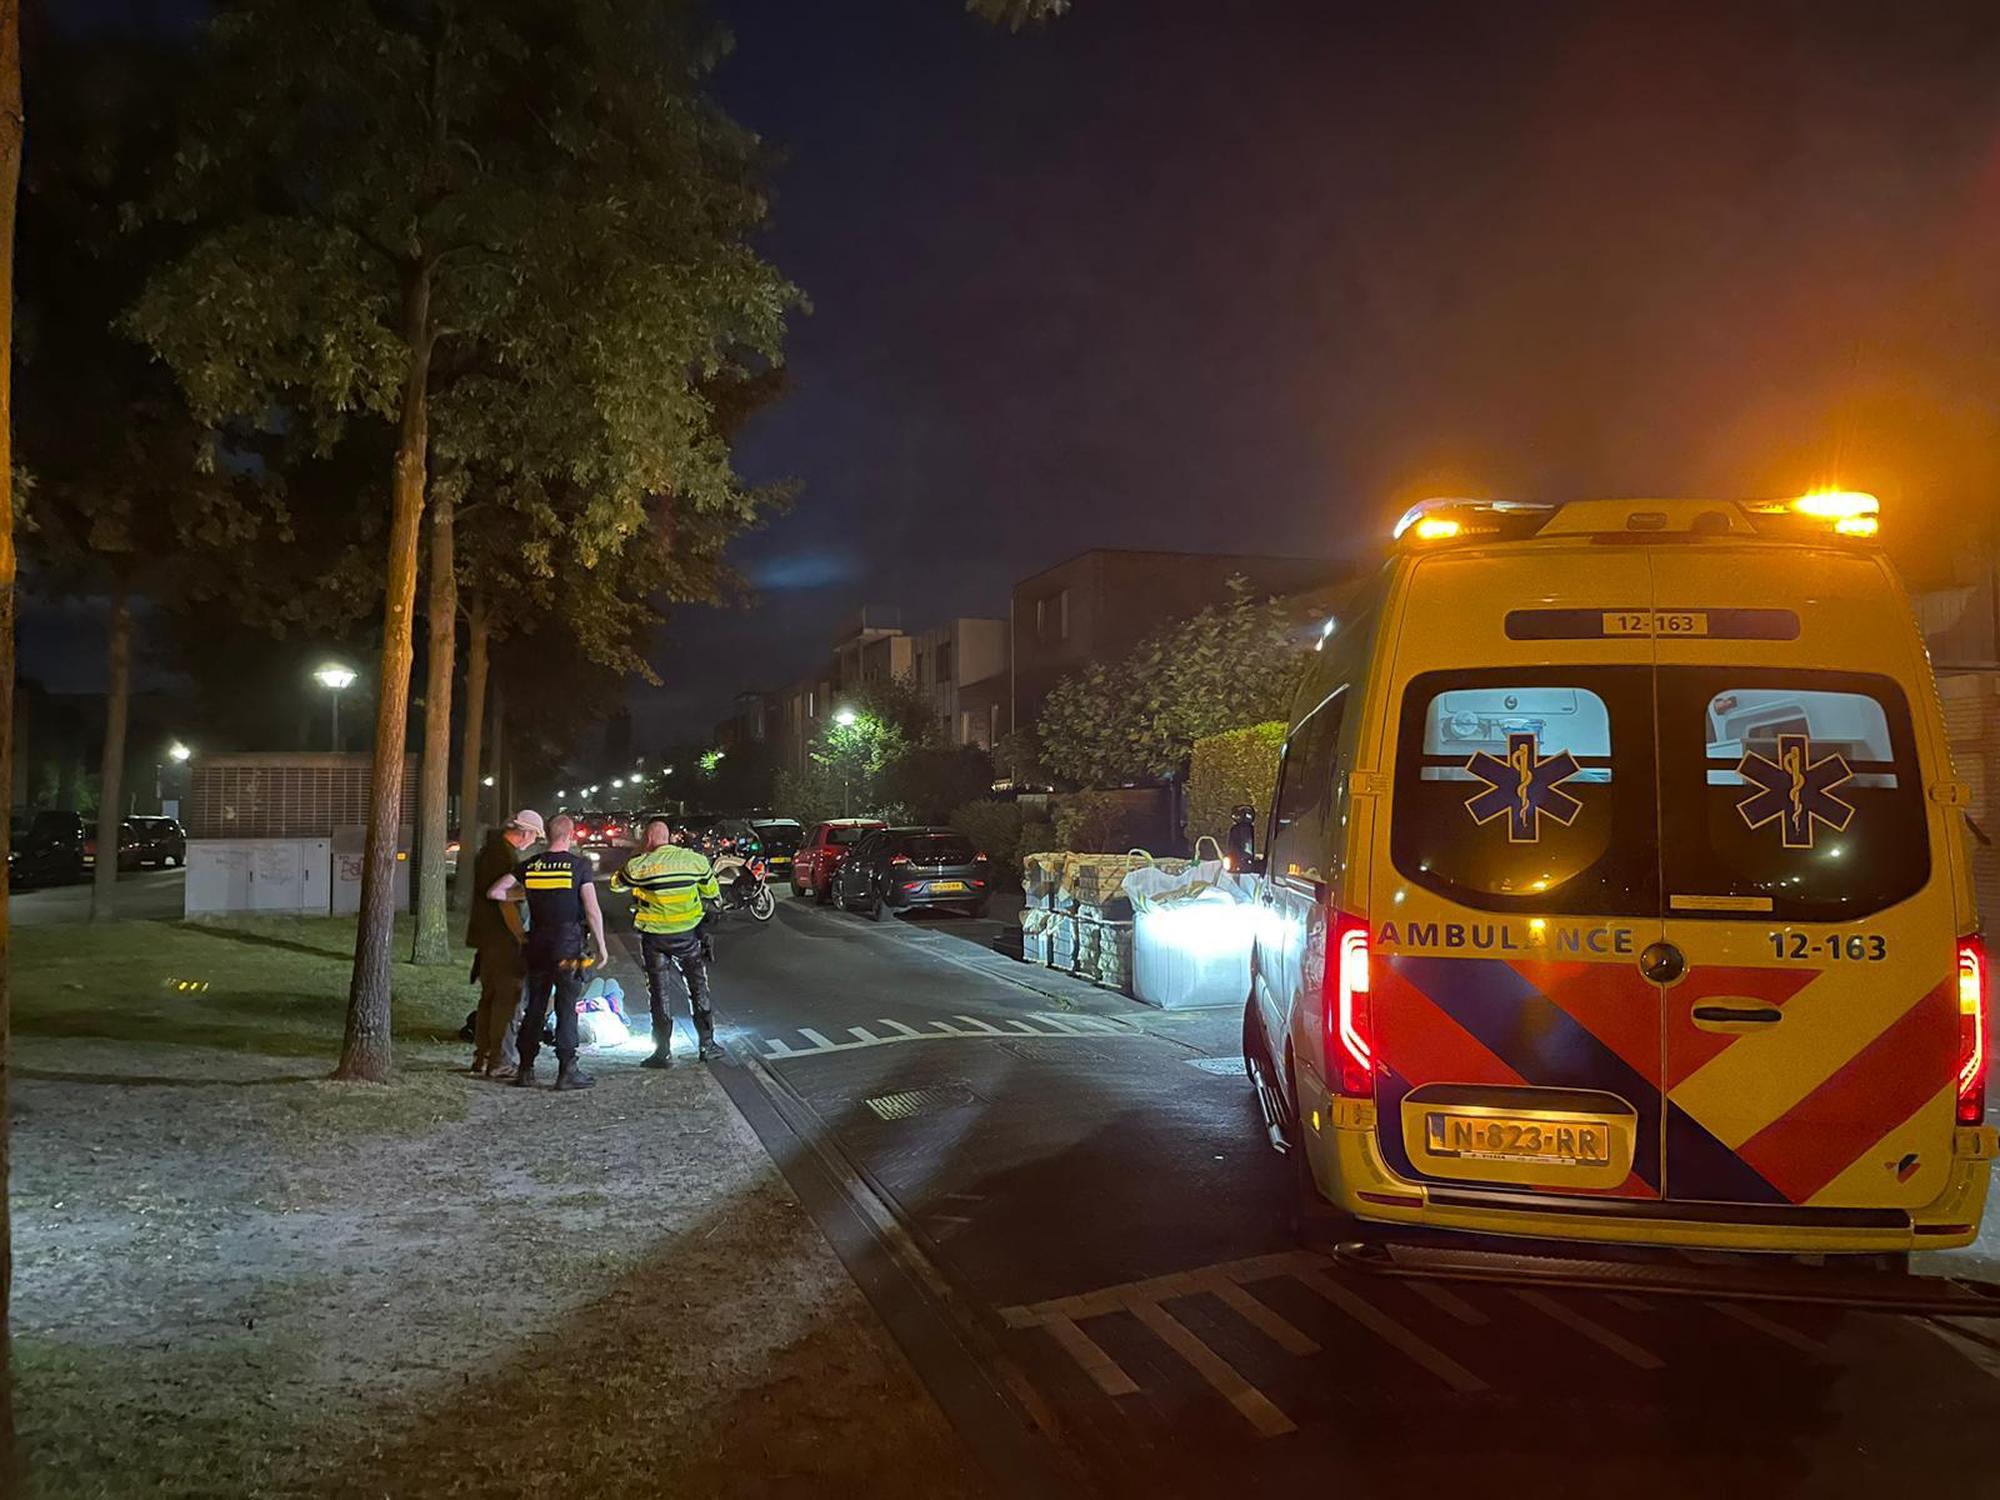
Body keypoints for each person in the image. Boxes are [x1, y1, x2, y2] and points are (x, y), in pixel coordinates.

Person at [488, 812, 610, 1091]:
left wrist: (526, 894)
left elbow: (495, 892)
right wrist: (602, 947)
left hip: (537, 947)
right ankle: (567, 1070)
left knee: (535, 1006)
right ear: (568, 835)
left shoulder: (531, 865)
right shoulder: (578, 867)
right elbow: (591, 909)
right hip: (567, 947)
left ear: (548, 835)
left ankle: (526, 1069)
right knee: (567, 1007)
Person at [611, 817, 723, 1065]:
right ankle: (707, 1045)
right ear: (670, 837)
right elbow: (712, 893)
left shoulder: (640, 865)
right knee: (698, 987)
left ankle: (662, 1052)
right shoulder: (695, 861)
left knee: (659, 994)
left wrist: (640, 853)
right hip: (688, 935)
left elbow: (616, 885)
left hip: (655, 938)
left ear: (649, 838)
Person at [464, 810, 543, 1078]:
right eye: (534, 836)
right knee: (508, 1001)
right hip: (504, 941)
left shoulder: (489, 851)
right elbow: (504, 901)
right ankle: (500, 1060)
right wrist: (521, 935)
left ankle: (482, 1056)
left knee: (488, 999)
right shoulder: (505, 857)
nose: (533, 842)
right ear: (524, 832)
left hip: (486, 939)